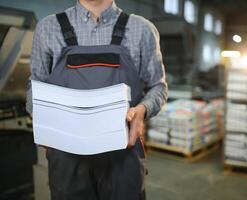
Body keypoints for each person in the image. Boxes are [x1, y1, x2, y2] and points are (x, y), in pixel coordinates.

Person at [26, 0, 168, 199]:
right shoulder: (48, 27)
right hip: (66, 155)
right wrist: (41, 120)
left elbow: (158, 86)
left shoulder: (142, 29)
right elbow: (36, 84)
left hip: (123, 152)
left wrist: (143, 110)